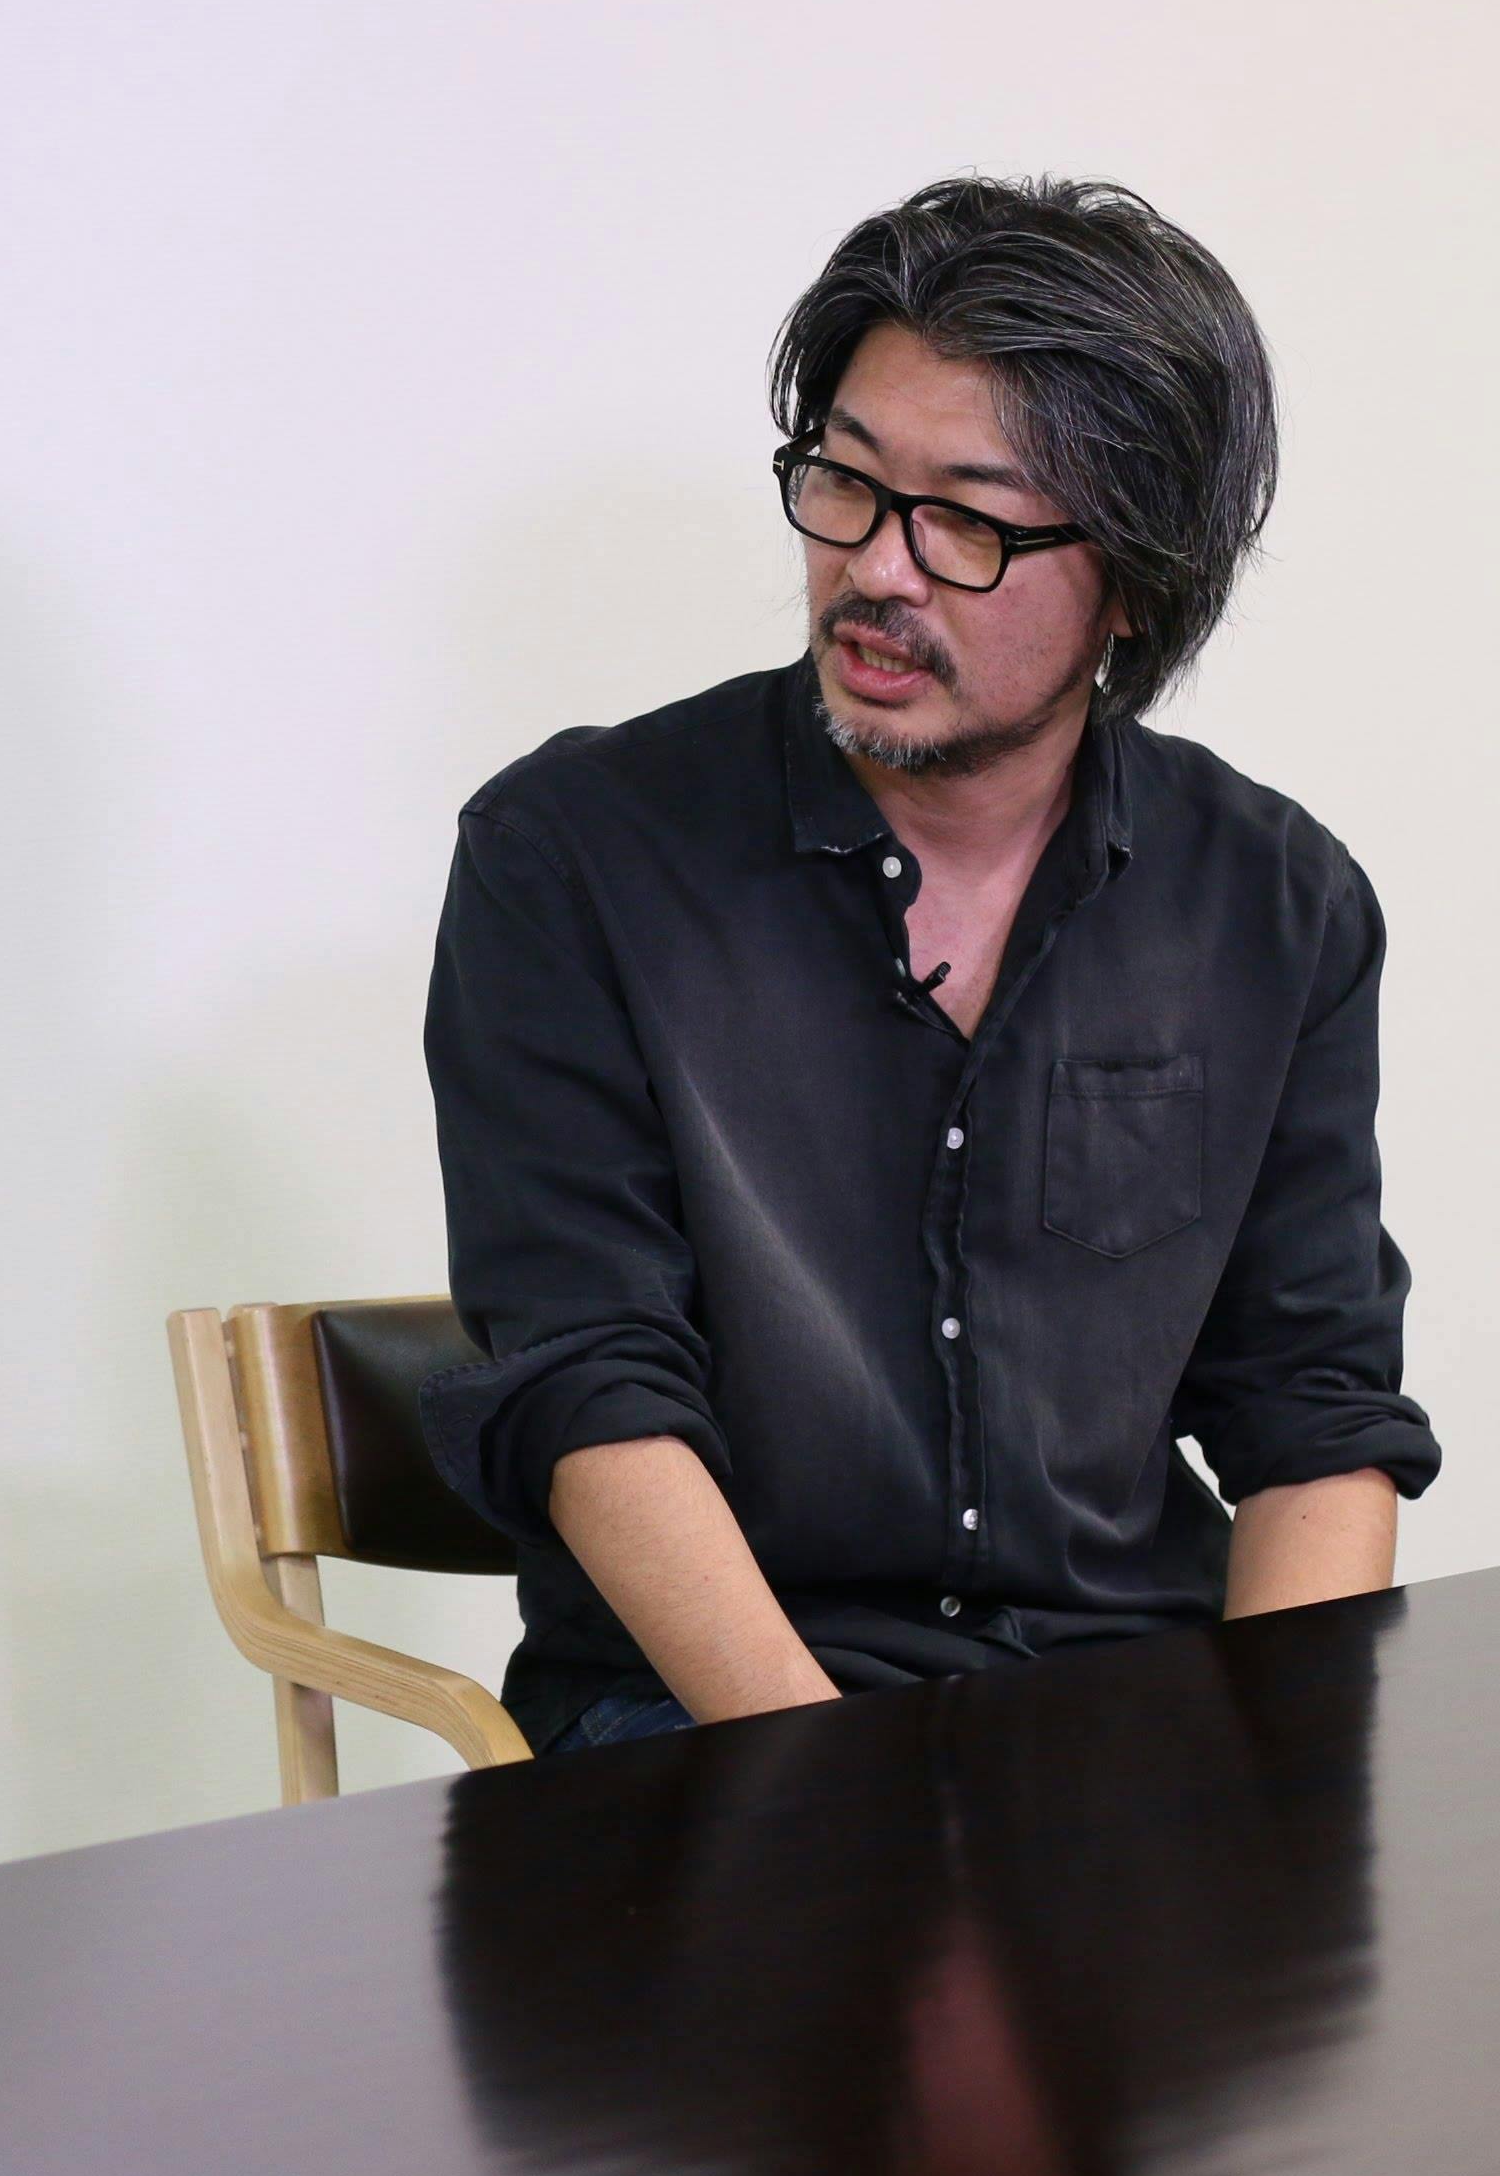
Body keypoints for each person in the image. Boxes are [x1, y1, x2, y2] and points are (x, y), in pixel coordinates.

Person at [422, 176, 1435, 1758]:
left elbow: (1313, 1413)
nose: (879, 569)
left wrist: (1284, 1786)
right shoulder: (576, 856)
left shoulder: (1275, 903)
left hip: (1124, 1721)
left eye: (968, 518)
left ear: (1139, 582)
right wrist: (843, 1795)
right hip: (714, 1728)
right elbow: (589, 1385)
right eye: (847, 480)